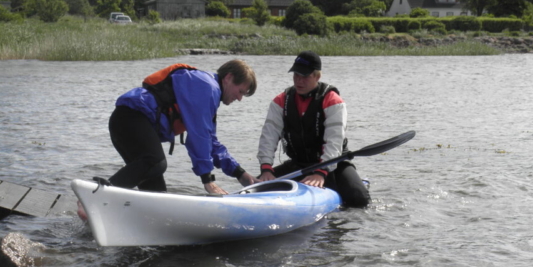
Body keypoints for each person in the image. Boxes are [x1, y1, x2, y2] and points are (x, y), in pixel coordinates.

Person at [101, 59, 259, 195]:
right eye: (240, 91)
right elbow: (199, 137)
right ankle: (101, 194)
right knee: (155, 162)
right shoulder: (208, 88)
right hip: (131, 118)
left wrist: (239, 173)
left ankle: (127, 215)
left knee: (156, 194)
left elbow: (211, 142)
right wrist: (207, 179)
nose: (239, 99)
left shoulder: (207, 92)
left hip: (125, 122)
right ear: (228, 78)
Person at [257, 51, 371, 207]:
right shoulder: (280, 101)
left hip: (333, 165)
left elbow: (334, 141)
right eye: (296, 75)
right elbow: (268, 137)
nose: (299, 80)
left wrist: (320, 172)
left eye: (305, 76)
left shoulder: (332, 101)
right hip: (299, 164)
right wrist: (266, 169)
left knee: (359, 199)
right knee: (254, 189)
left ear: (317, 76)